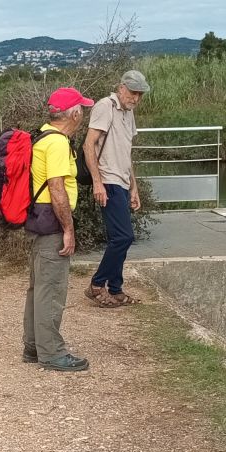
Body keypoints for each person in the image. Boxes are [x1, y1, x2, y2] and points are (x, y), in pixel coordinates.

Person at [23, 87, 94, 371]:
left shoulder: (41, 136)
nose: (84, 115)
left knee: (38, 287)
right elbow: (57, 188)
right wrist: (69, 229)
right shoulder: (57, 144)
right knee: (51, 288)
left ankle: (33, 346)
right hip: (51, 221)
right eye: (83, 110)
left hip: (37, 219)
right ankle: (51, 352)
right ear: (74, 113)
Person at [82, 69, 150, 307]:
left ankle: (116, 288)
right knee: (124, 237)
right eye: (133, 92)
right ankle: (97, 284)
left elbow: (126, 152)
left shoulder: (128, 112)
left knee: (118, 238)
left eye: (140, 94)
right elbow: (88, 145)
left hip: (121, 181)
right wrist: (97, 182)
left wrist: (134, 187)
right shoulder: (105, 106)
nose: (136, 98)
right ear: (121, 87)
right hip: (108, 180)